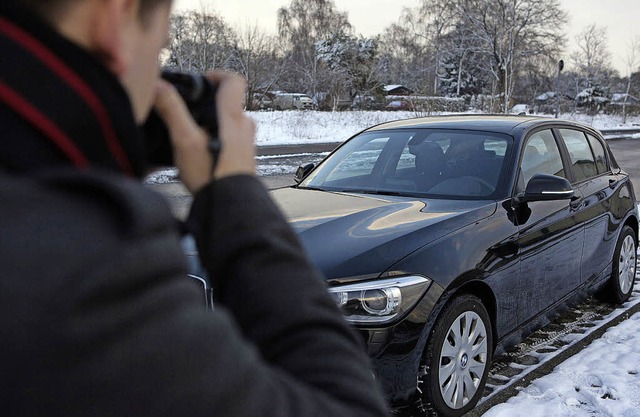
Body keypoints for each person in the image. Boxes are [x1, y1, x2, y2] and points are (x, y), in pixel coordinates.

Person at [0, 0, 389, 416]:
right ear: (113, 17)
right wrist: (233, 193)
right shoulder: (87, 273)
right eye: (159, 50)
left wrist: (103, 154)